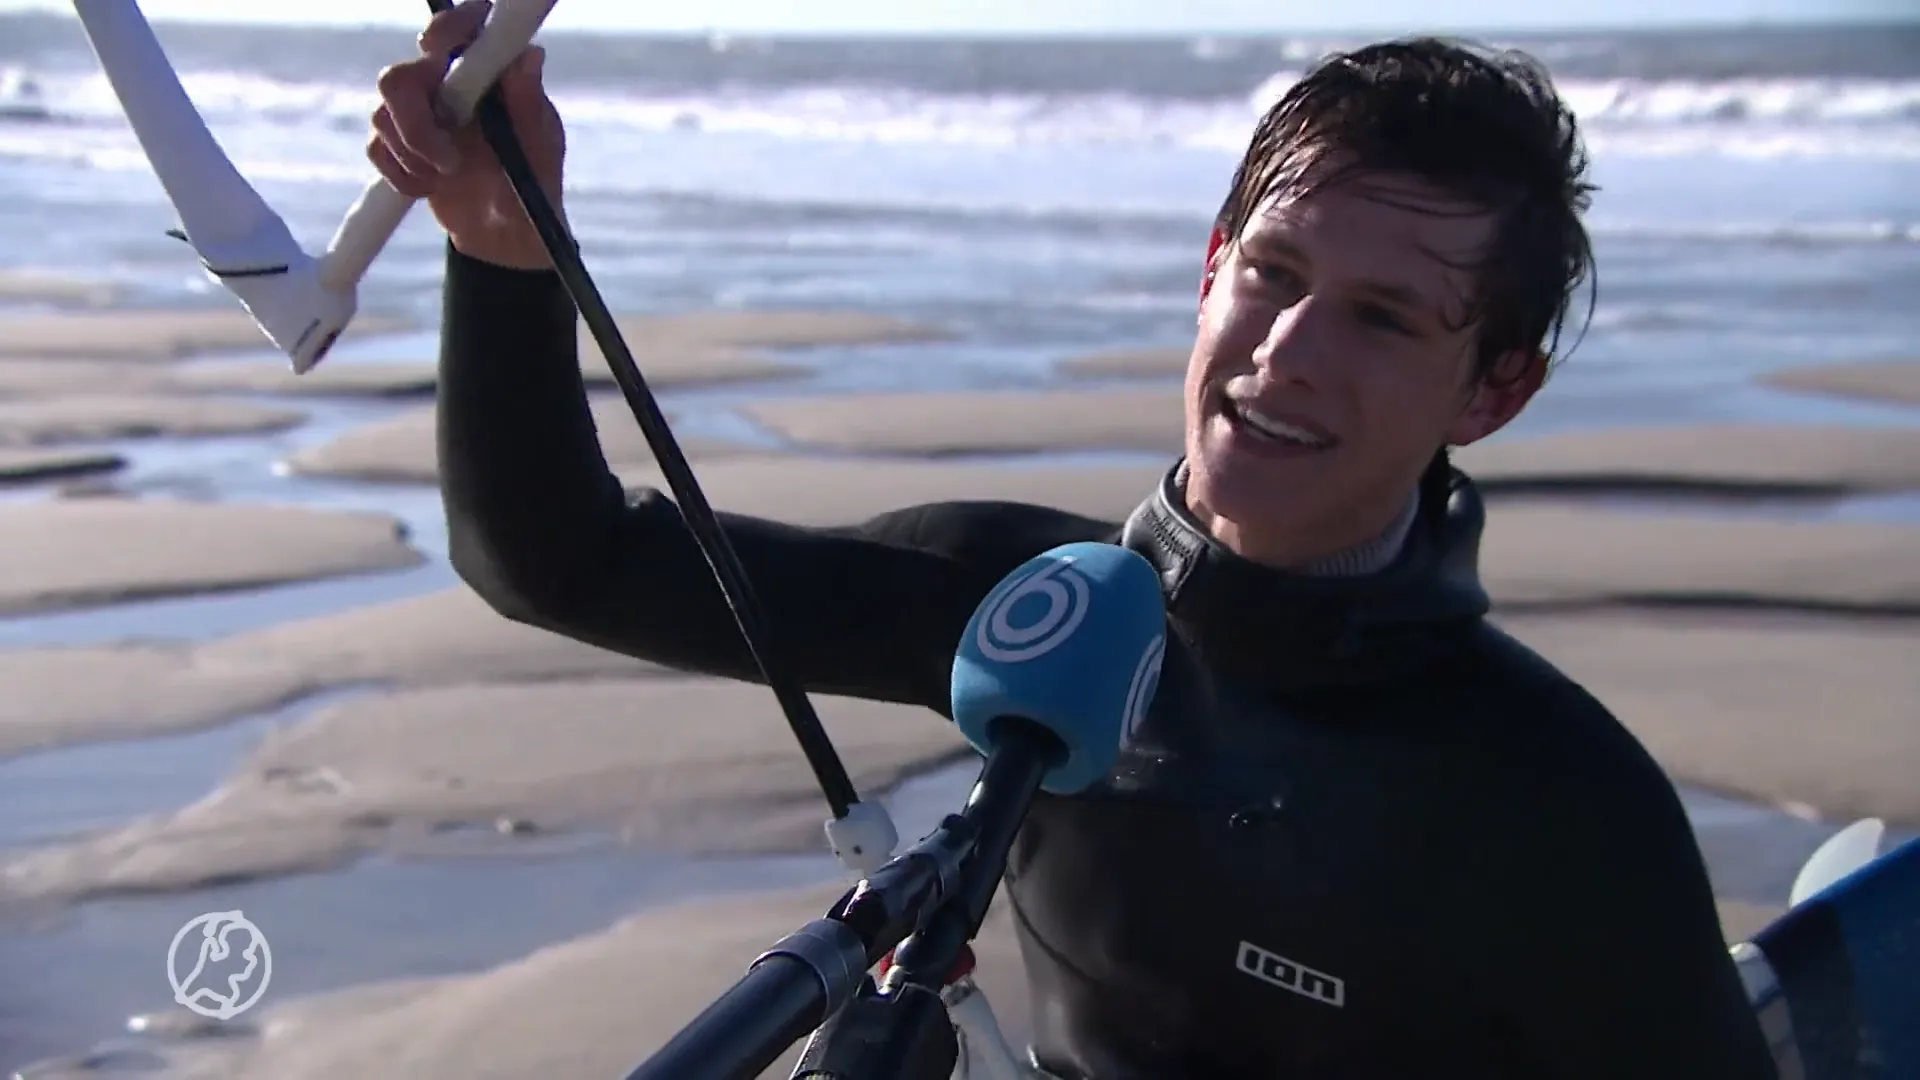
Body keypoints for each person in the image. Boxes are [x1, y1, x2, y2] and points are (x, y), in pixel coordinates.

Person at [370, 4, 1779, 1076]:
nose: (1286, 354)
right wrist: (503, 249)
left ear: (1494, 389)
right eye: (1275, 275)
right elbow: (554, 559)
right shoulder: (1021, 605)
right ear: (1213, 267)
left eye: (1384, 316)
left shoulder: (1556, 800)